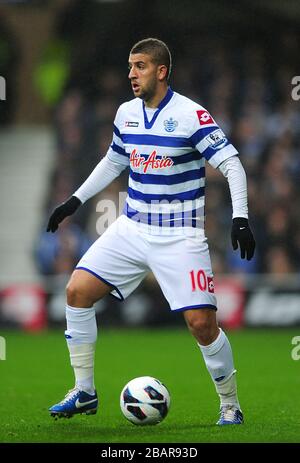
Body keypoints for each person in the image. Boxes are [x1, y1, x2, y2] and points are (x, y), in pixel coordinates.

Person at [47, 38, 255, 425]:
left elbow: (233, 165)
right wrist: (75, 200)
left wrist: (240, 218)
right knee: (76, 292)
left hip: (181, 235)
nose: (131, 74)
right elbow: (113, 161)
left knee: (202, 325)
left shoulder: (191, 115)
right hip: (131, 227)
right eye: (129, 66)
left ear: (161, 71)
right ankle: (85, 392)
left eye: (139, 66)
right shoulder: (126, 113)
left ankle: (230, 404)